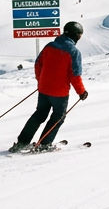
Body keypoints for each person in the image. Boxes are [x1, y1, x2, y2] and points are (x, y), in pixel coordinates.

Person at [12, 21, 88, 151]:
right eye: (79, 35)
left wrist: (41, 81)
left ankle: (22, 142)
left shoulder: (49, 46)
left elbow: (38, 64)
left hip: (44, 89)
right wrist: (81, 92)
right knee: (58, 117)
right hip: (60, 93)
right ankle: (44, 144)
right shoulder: (74, 52)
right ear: (76, 35)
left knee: (39, 115)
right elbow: (75, 76)